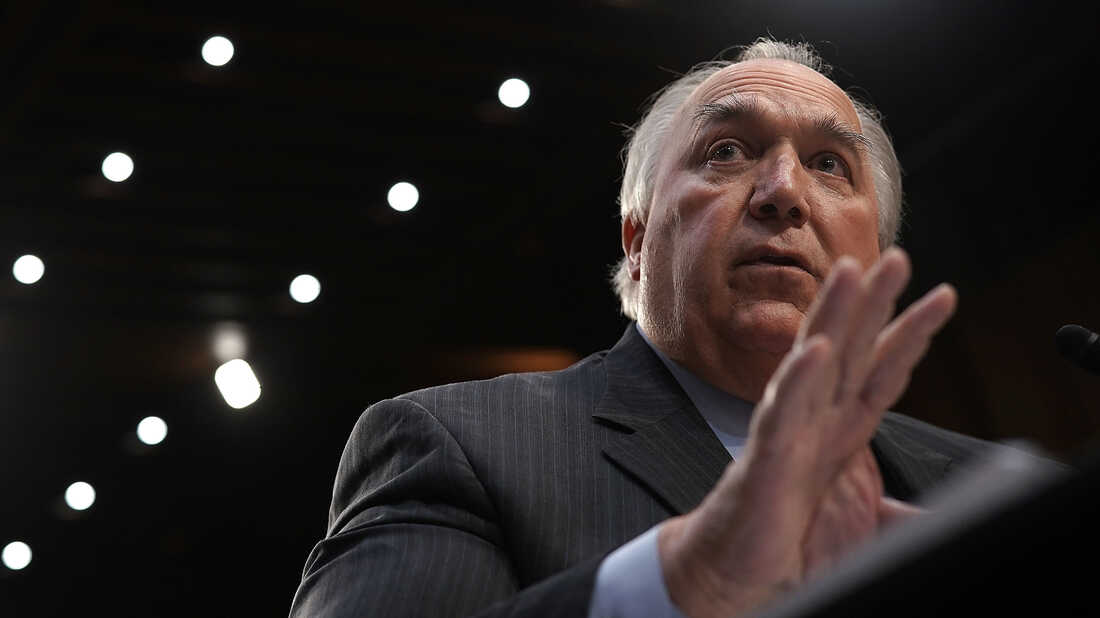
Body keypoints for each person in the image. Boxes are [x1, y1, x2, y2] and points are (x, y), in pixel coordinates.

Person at [288, 38, 999, 617]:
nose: (785, 191)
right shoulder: (459, 445)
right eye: (727, 151)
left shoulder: (990, 486)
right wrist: (682, 582)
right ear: (637, 241)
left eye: (829, 164)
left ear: (876, 254)